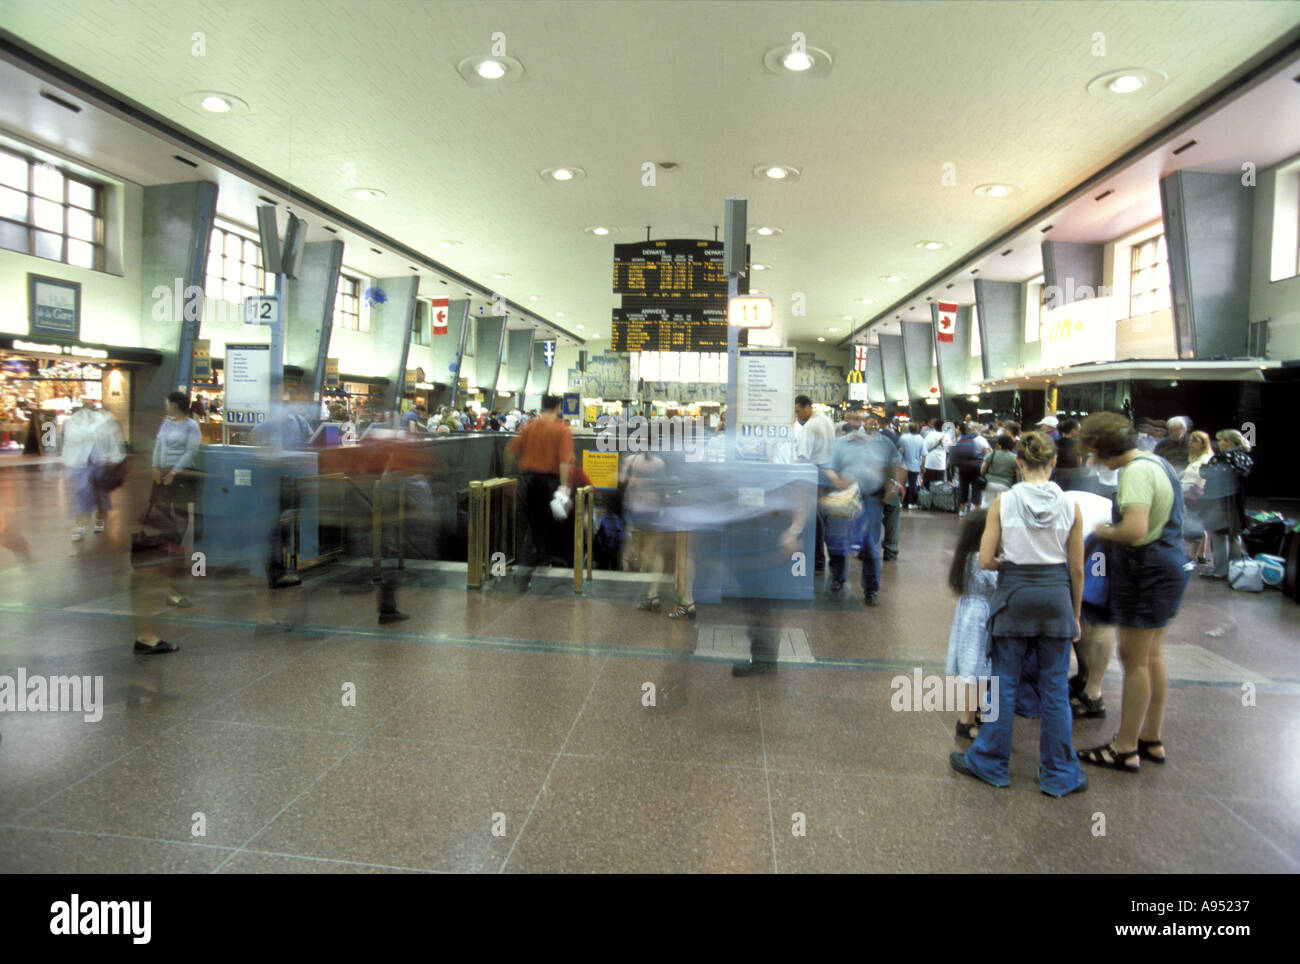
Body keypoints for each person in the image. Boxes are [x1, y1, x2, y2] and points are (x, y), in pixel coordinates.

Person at [949, 431, 1087, 797]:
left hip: (1014, 597)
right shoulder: (1071, 507)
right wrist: (1073, 616)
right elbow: (1077, 569)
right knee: (1055, 688)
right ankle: (1059, 772)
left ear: (1020, 465)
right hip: (1056, 598)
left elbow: (983, 559)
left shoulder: (1003, 504)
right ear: (1053, 462)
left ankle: (991, 762)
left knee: (1004, 682)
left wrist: (1008, 564)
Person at [1074, 413, 1189, 772]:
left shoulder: (1136, 473)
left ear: (1099, 450)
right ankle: (1150, 738)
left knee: (1134, 660)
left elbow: (1136, 529)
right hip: (1170, 564)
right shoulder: (1157, 463)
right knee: (1153, 657)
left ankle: (1125, 747)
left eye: (1093, 454)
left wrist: (1104, 530)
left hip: (1147, 572)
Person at [825, 410, 904, 607]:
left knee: (870, 544)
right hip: (845, 498)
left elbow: (893, 466)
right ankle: (838, 576)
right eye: (854, 419)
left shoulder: (884, 443)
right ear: (848, 421)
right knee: (837, 539)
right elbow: (830, 469)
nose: (859, 423)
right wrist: (838, 481)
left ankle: (871, 588)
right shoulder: (841, 444)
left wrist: (891, 486)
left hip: (870, 498)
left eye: (862, 419)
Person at [506, 394, 575, 577]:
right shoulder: (562, 429)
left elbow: (510, 451)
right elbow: (564, 462)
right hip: (551, 483)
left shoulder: (529, 427)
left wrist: (511, 476)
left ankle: (531, 561)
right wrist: (564, 487)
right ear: (558, 407)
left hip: (530, 482)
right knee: (557, 525)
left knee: (535, 524)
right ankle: (545, 561)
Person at [945, 508, 996, 742]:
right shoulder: (980, 559)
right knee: (979, 669)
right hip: (980, 619)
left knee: (973, 669)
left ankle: (976, 714)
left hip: (968, 615)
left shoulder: (964, 557)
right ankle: (969, 719)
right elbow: (996, 583)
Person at [150, 391, 203, 610]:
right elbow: (158, 446)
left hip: (181, 478)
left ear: (175, 405)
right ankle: (168, 555)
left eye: (168, 403)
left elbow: (191, 452)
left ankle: (177, 559)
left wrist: (174, 472)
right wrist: (155, 467)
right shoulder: (166, 424)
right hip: (161, 477)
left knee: (180, 522)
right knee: (163, 519)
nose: (166, 406)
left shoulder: (191, 426)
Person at [61, 397, 124, 539]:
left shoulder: (104, 420)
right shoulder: (72, 422)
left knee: (100, 494)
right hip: (81, 464)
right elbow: (68, 441)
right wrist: (66, 459)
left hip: (100, 462)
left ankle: (100, 517)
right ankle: (79, 525)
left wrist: (115, 458)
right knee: (81, 491)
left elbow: (112, 439)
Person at [1196, 428, 1253, 582]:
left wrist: (1204, 468)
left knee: (1218, 534)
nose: (1219, 443)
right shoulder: (1244, 458)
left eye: (1221, 440)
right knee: (1234, 534)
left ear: (1228, 442)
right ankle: (1236, 569)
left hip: (1219, 501)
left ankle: (1220, 571)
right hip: (1236, 502)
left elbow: (1205, 473)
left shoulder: (1222, 457)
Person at [794, 394, 835, 572]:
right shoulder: (826, 420)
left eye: (798, 411)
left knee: (815, 519)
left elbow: (803, 457)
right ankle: (832, 559)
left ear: (807, 407)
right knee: (828, 519)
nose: (797, 415)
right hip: (830, 473)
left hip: (816, 474)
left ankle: (818, 560)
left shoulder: (809, 427)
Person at [1180, 430, 1214, 564]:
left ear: (1203, 444)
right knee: (1199, 524)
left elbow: (1203, 479)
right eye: (1190, 440)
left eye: (1194, 441)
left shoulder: (1206, 459)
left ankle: (1192, 555)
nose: (1190, 443)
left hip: (1197, 495)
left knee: (1194, 523)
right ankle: (1201, 554)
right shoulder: (1196, 458)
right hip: (1190, 494)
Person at [950, 422, 986, 516]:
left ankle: (962, 509)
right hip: (976, 467)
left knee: (963, 487)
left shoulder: (960, 439)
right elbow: (988, 451)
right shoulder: (980, 439)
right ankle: (976, 510)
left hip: (963, 467)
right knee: (976, 488)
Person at [897, 422, 926, 508]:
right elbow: (924, 455)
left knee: (902, 484)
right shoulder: (921, 439)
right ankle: (911, 503)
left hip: (903, 465)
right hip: (915, 465)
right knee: (912, 484)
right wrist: (923, 467)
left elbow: (897, 451)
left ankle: (901, 502)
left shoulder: (903, 437)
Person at [922, 417, 949, 490]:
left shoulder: (930, 435)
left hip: (929, 464)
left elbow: (924, 448)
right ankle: (938, 500)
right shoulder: (946, 436)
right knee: (939, 486)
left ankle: (928, 500)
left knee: (928, 485)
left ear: (934, 426)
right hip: (940, 464)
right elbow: (948, 450)